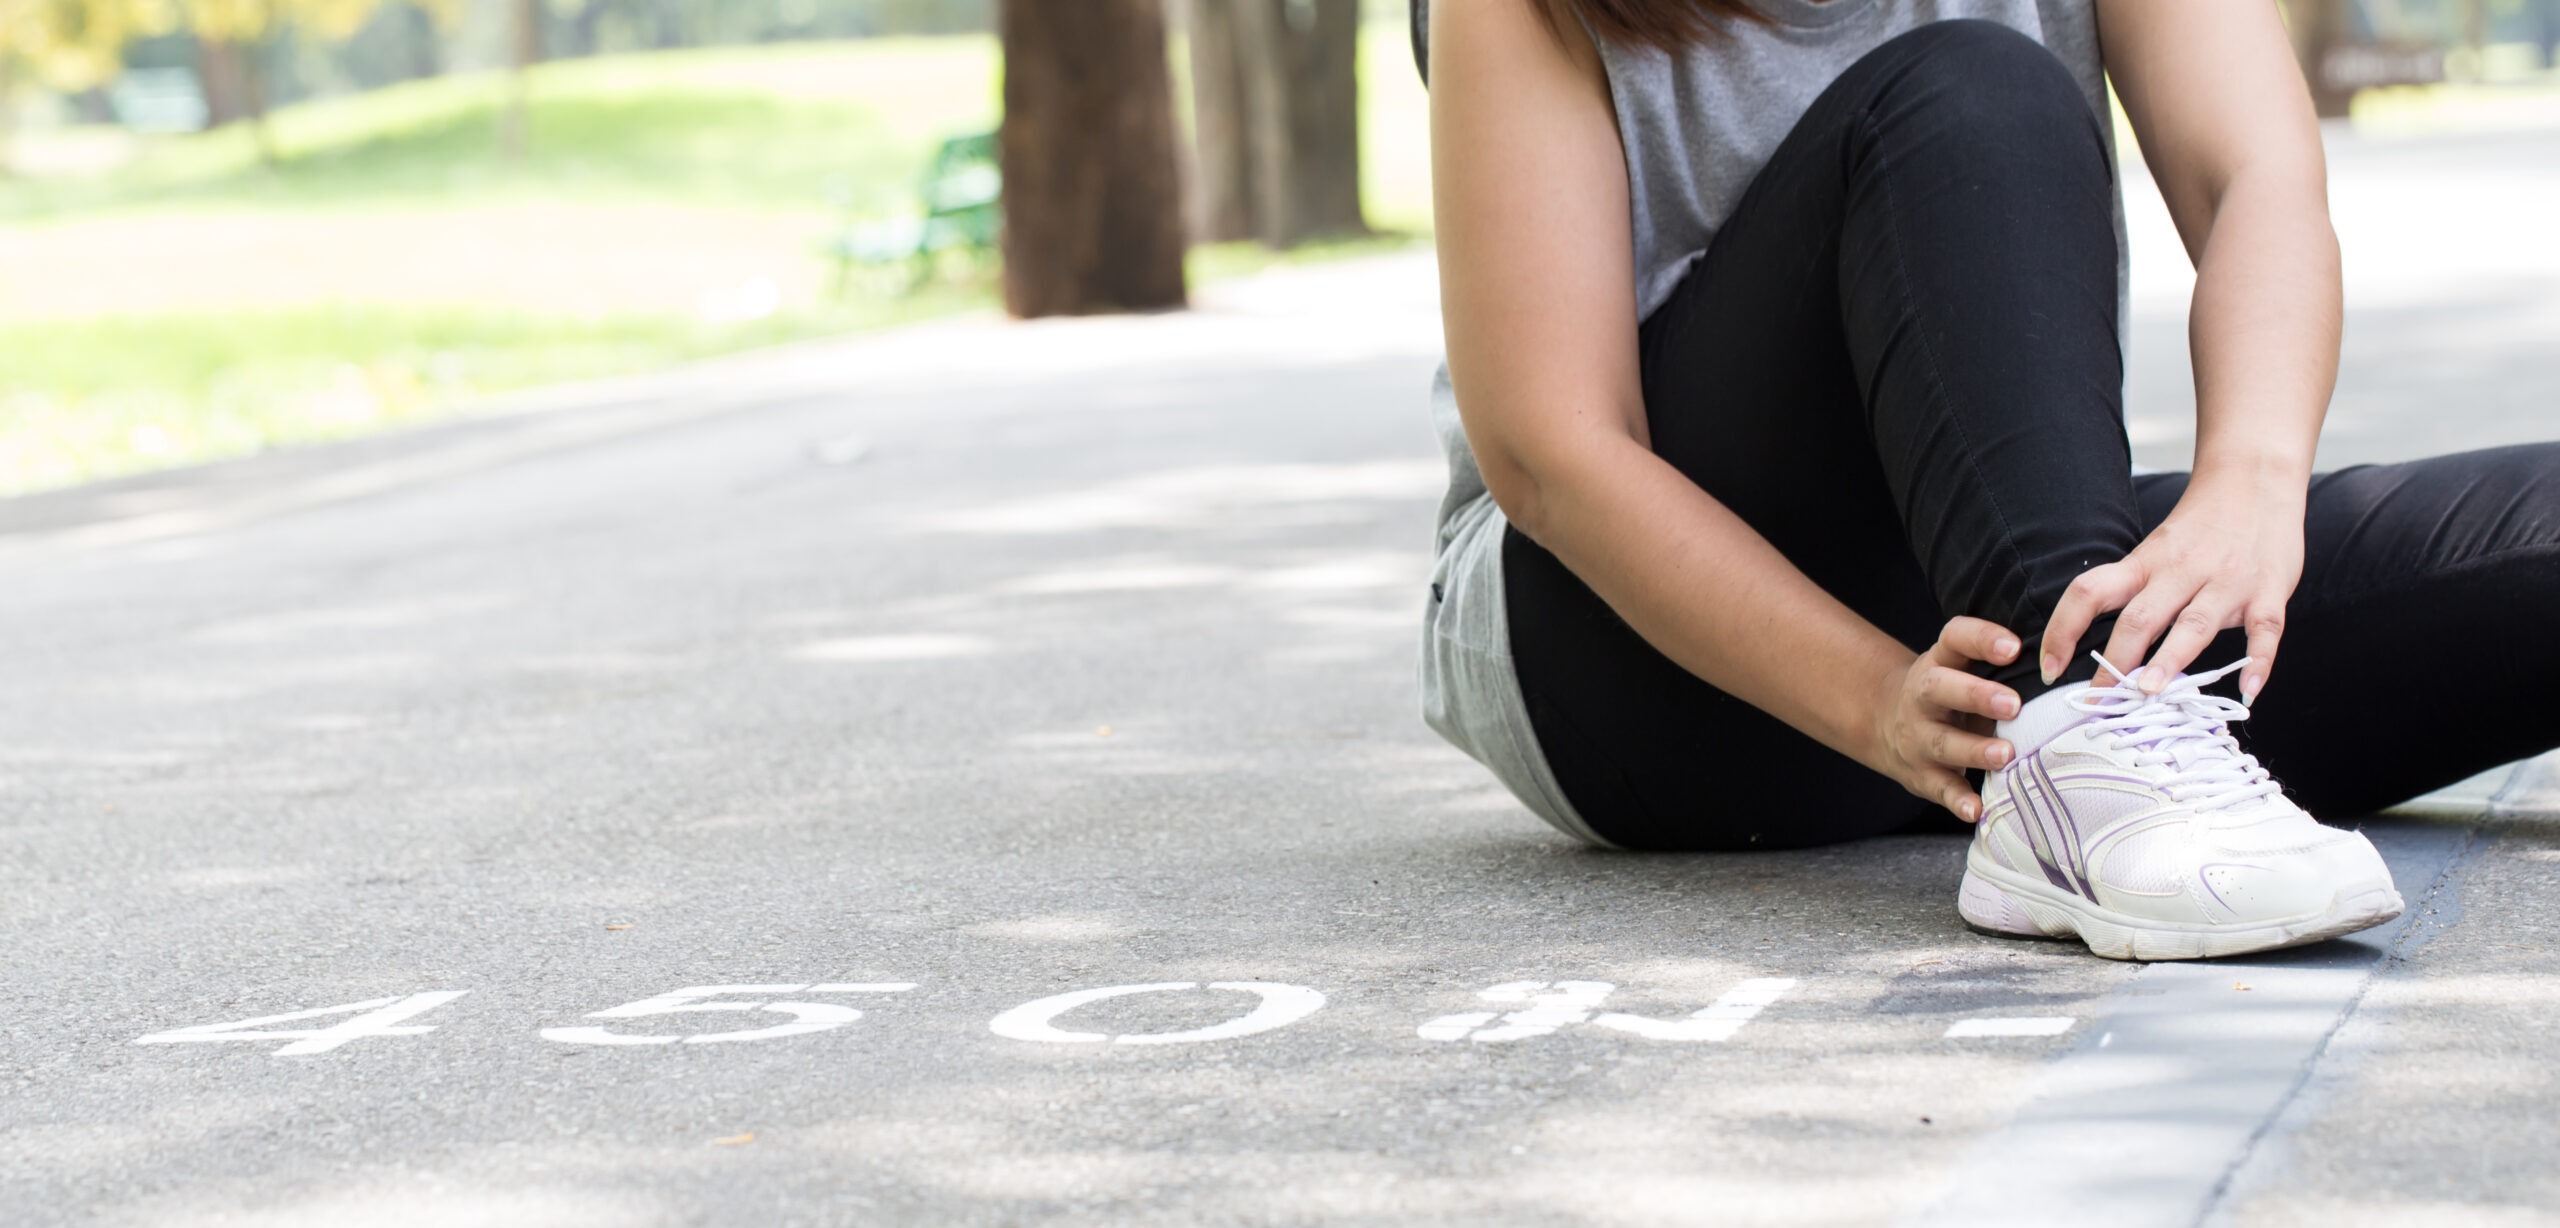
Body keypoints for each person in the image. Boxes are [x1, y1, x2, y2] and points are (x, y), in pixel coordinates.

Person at [1416, 0, 2560, 960]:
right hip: (1632, 646)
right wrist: (1872, 701)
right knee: (1969, 98)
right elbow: (1552, 451)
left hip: (2000, 610)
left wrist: (2247, 491)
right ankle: (2086, 769)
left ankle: (2082, 753)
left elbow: (2254, 175)